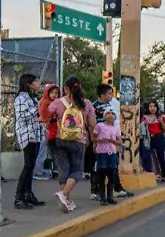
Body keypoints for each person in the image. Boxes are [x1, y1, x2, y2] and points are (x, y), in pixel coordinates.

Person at [49, 76, 96, 212]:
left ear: (66, 88)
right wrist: (91, 137)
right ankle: (63, 195)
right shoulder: (86, 103)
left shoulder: (58, 102)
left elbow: (45, 114)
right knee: (77, 171)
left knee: (64, 169)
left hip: (60, 139)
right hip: (78, 141)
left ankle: (66, 201)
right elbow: (92, 124)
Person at [91, 84, 133, 199]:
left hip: (112, 143)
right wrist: (94, 142)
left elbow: (117, 122)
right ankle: (95, 191)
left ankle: (117, 188)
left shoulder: (112, 105)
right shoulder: (93, 107)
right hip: (100, 144)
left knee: (113, 166)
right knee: (98, 168)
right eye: (109, 93)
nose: (111, 96)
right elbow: (92, 126)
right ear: (102, 94)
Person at [13, 73, 46, 209]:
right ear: (28, 84)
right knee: (27, 166)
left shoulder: (31, 98)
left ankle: (28, 194)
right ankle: (19, 197)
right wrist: (37, 108)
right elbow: (22, 117)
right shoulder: (21, 98)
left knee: (31, 166)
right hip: (27, 135)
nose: (38, 83)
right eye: (35, 81)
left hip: (35, 134)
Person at [92, 109, 121, 205]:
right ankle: (102, 197)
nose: (110, 116)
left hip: (112, 153)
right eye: (108, 113)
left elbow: (119, 141)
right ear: (104, 116)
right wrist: (100, 140)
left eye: (112, 114)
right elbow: (93, 138)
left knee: (112, 175)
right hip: (101, 153)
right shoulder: (99, 125)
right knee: (101, 175)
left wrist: (112, 141)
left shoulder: (116, 127)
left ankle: (110, 196)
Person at [140, 101, 165, 182]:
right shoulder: (145, 117)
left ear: (157, 107)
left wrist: (161, 122)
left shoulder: (162, 116)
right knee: (146, 156)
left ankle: (163, 174)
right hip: (148, 138)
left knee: (160, 156)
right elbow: (142, 128)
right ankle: (148, 173)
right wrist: (144, 124)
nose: (152, 108)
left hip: (159, 137)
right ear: (148, 108)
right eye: (150, 106)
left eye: (154, 106)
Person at [38, 84, 61, 180]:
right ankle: (38, 171)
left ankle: (55, 170)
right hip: (47, 128)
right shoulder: (45, 102)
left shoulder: (56, 102)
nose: (54, 95)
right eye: (52, 93)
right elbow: (43, 115)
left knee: (55, 150)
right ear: (48, 93)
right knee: (44, 150)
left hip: (55, 129)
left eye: (56, 93)